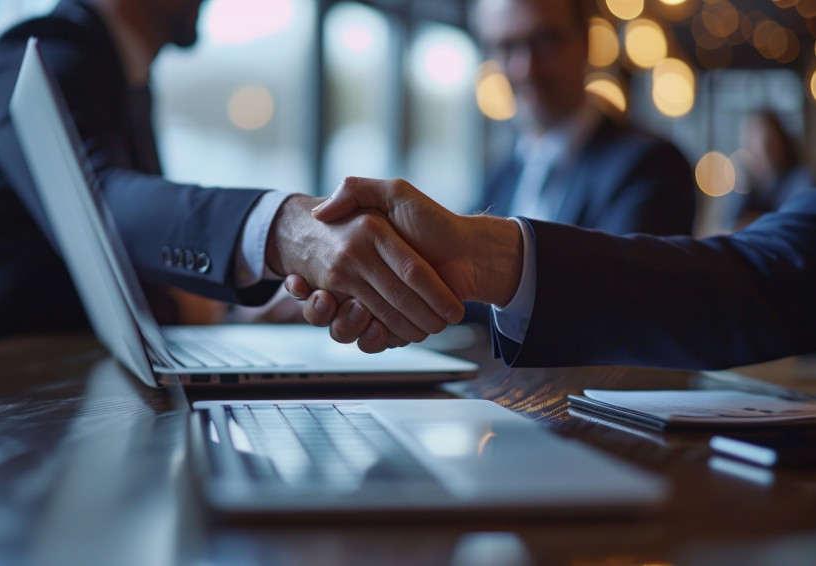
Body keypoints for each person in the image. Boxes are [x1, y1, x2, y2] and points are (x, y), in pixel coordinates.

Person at [0, 0, 463, 344]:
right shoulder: (32, 58)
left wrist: (243, 308)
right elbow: (96, 204)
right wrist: (285, 229)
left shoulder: (121, 77)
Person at [285, 176, 816, 369]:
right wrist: (370, 279)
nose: (525, 65)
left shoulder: (646, 166)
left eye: (543, 40)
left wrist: (487, 259)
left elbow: (772, 279)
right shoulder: (506, 166)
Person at [472, 0, 695, 236]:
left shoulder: (651, 167)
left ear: (587, 42)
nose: (525, 68)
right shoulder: (499, 179)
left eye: (545, 41)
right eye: (506, 47)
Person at [725, 109, 813, 230]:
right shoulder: (750, 185)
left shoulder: (799, 179)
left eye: (768, 140)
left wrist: (752, 224)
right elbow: (729, 226)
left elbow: (792, 224)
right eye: (752, 141)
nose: (760, 148)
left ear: (782, 141)